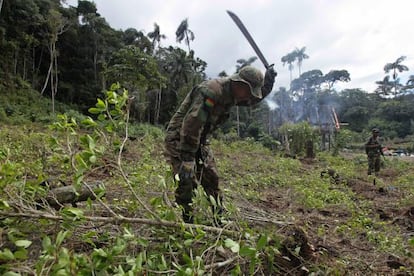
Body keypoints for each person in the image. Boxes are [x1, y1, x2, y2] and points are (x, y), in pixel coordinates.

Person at [164, 65, 277, 224]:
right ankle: (187, 221)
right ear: (241, 84)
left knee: (211, 178)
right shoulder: (212, 91)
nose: (248, 97)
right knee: (187, 179)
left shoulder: (236, 94)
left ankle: (218, 219)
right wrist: (188, 159)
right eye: (248, 91)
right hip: (180, 137)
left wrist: (269, 81)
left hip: (200, 138)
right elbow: (192, 124)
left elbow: (254, 98)